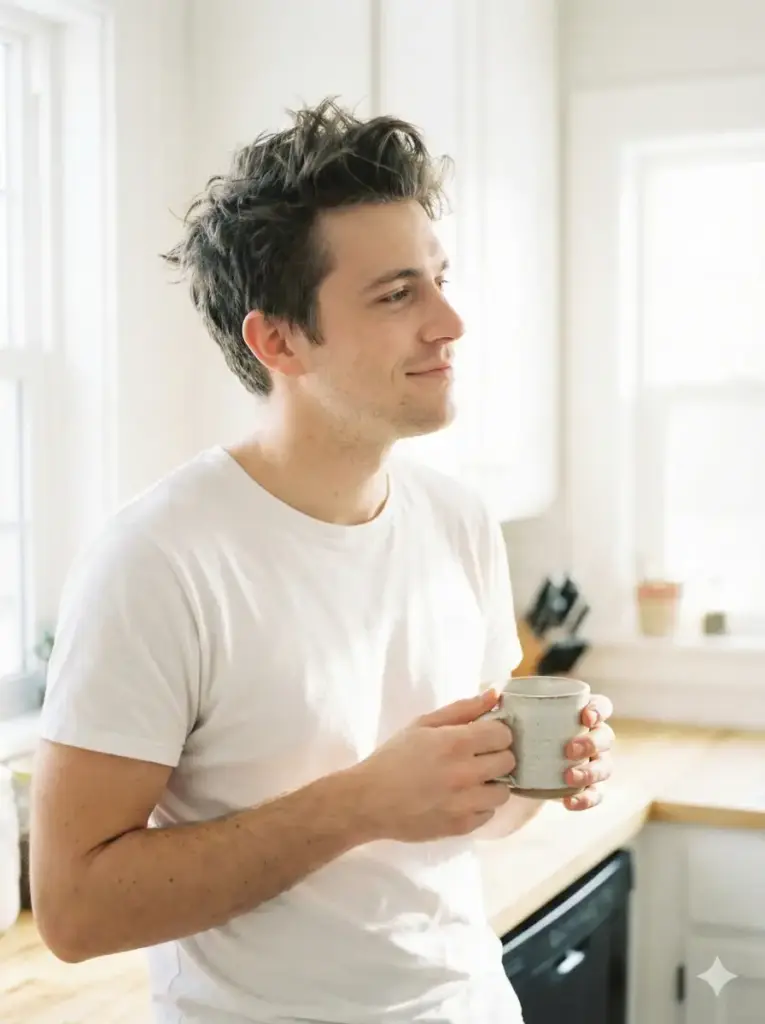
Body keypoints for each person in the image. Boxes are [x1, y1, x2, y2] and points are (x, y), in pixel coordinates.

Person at [30, 98, 614, 1024]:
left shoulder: (460, 522)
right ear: (278, 340)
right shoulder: (160, 561)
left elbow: (474, 813)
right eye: (396, 294)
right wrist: (358, 804)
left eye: (439, 278)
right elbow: (71, 910)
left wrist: (540, 773)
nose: (450, 320)